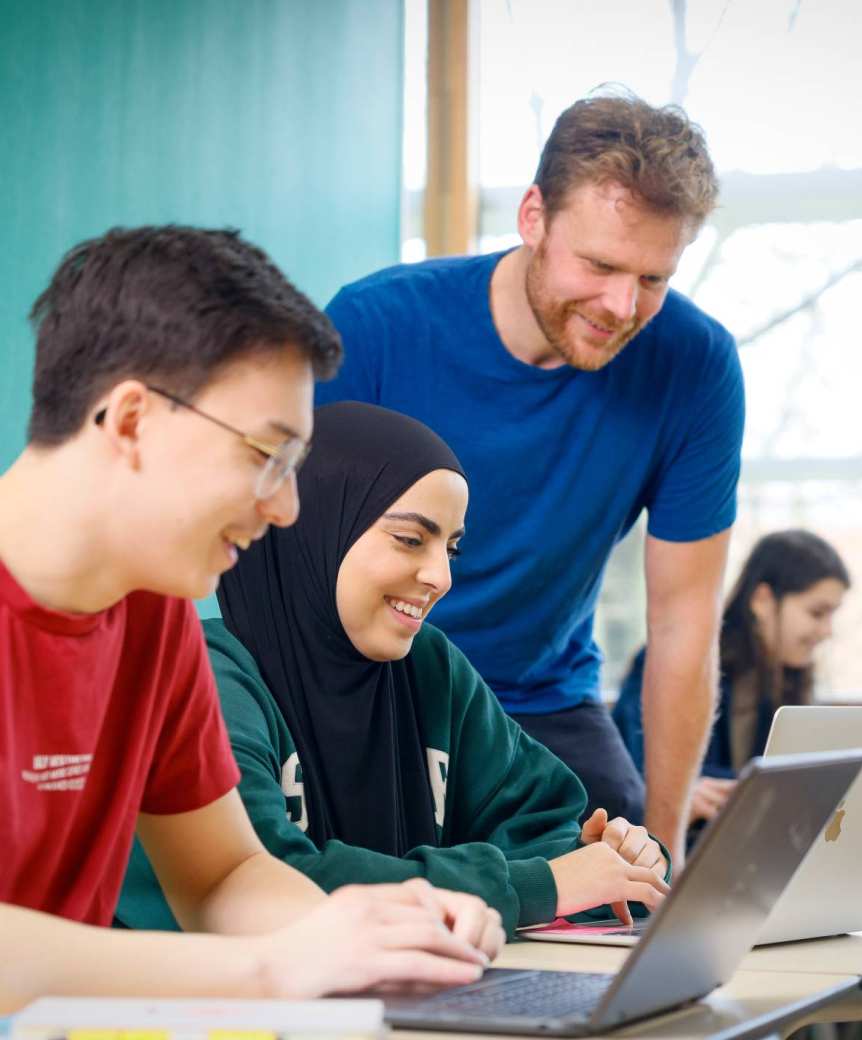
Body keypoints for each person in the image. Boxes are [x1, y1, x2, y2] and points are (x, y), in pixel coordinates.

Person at [0, 226, 504, 1014]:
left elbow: (222, 875)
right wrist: (272, 970)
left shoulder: (152, 614)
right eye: (266, 456)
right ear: (131, 420)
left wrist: (364, 935)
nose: (287, 508)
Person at [317, 87, 745, 866]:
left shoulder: (695, 365)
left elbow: (684, 622)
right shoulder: (374, 326)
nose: (622, 305)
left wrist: (671, 845)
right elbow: (288, 561)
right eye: (601, 265)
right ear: (533, 218)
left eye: (653, 279)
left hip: (543, 704)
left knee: (630, 903)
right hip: (370, 687)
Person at [117, 402, 670, 940]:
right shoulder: (202, 678)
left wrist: (604, 861)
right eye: (410, 539)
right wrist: (534, 882)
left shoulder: (428, 667)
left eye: (451, 548)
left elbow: (545, 826)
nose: (440, 576)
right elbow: (268, 884)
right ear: (313, 531)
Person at [613, 529, 850, 824]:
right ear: (763, 600)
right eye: (817, 613)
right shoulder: (675, 664)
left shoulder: (787, 680)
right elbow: (634, 773)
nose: (827, 631)